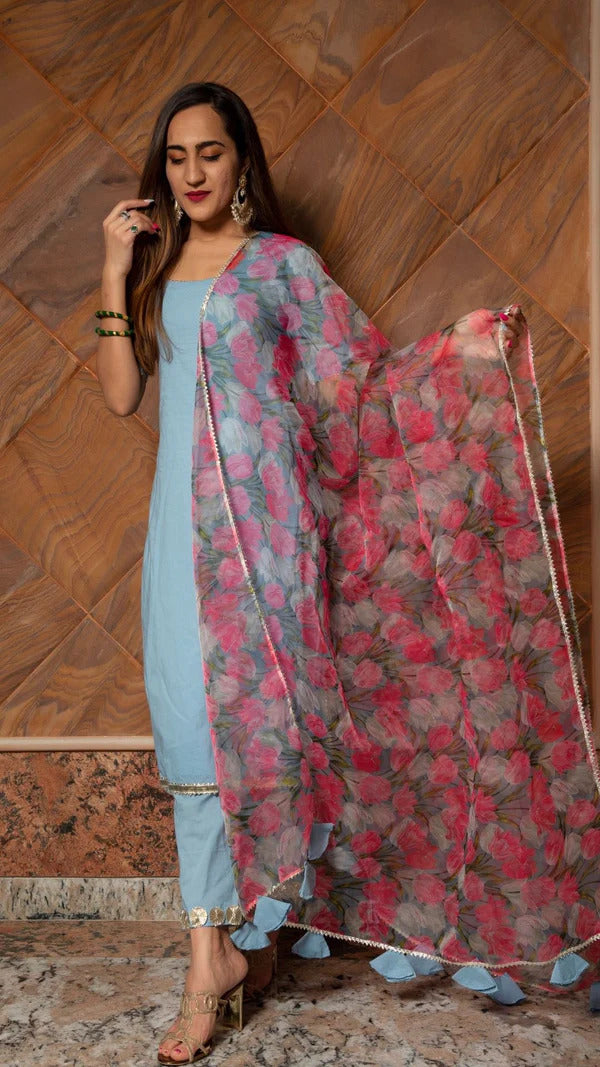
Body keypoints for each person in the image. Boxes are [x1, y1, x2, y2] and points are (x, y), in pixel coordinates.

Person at [97, 82, 600, 1064]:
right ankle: (226, 948)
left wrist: (460, 357)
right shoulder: (153, 273)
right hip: (180, 535)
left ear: (242, 161)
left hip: (270, 538)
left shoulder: (283, 266)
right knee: (194, 735)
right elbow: (122, 396)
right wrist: (115, 269)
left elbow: (359, 386)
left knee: (264, 737)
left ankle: (224, 955)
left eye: (210, 152)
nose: (193, 172)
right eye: (176, 156)